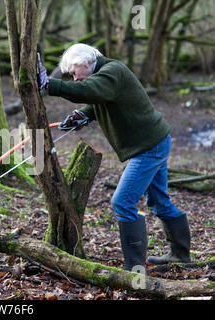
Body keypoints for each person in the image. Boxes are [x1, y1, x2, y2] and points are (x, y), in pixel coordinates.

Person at [37, 43, 191, 272]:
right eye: (70, 75)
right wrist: (83, 115)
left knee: (122, 202)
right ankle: (179, 255)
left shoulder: (112, 72)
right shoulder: (105, 74)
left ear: (86, 63)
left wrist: (51, 85)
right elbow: (101, 98)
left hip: (149, 147)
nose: (74, 79)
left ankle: (134, 268)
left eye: (73, 73)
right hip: (155, 141)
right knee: (158, 201)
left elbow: (93, 91)